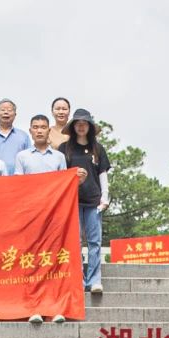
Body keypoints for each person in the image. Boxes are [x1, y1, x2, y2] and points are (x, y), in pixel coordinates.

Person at [61, 108, 110, 295]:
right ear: (73, 126)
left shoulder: (98, 148)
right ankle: (78, 280)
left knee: (94, 241)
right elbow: (59, 175)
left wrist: (105, 197)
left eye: (84, 123)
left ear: (89, 126)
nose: (81, 126)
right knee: (75, 242)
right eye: (78, 123)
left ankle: (94, 280)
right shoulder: (64, 149)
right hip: (72, 201)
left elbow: (103, 174)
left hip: (93, 201)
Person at [0, 99, 31, 173]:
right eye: (2, 110)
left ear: (15, 114)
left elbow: (29, 160)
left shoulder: (23, 136)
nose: (6, 112)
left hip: (17, 178)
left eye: (9, 110)